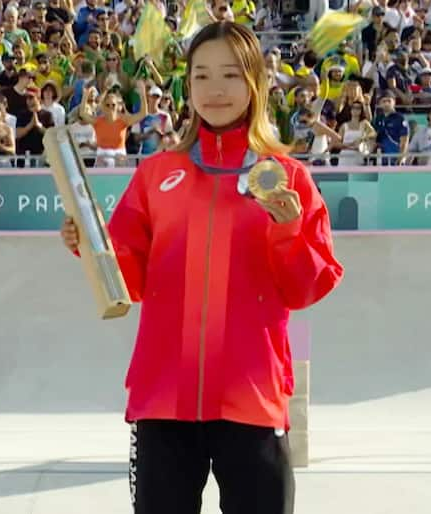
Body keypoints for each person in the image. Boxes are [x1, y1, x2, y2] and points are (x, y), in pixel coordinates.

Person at [59, 22, 343, 514]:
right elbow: (130, 279)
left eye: (231, 75)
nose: (215, 90)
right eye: (202, 76)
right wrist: (89, 243)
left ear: (255, 83)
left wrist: (287, 230)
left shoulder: (287, 176)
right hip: (164, 395)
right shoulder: (156, 173)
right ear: (186, 86)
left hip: (252, 397)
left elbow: (307, 287)